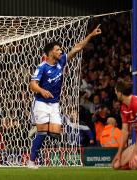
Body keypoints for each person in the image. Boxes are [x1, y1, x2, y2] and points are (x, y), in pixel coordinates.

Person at [28, 25, 101, 169]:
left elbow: (77, 48)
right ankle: (31, 162)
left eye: (61, 49)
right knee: (42, 134)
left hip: (54, 104)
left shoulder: (61, 62)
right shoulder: (41, 67)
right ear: (50, 53)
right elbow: (32, 85)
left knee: (56, 133)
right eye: (58, 49)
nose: (61, 51)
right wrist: (42, 90)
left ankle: (38, 126)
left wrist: (91, 35)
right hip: (41, 103)